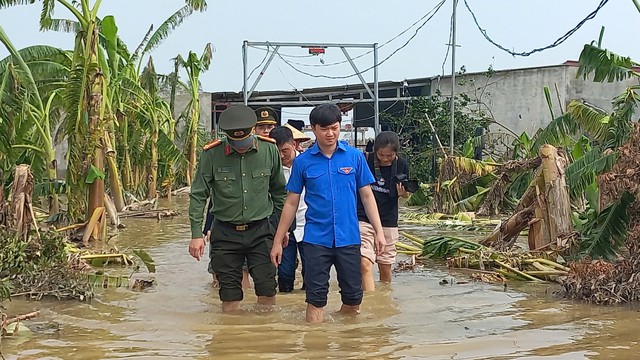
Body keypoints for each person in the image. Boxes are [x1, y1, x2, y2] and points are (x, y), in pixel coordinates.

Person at [270, 103, 386, 323]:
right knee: (315, 300)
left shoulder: (354, 157)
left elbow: (367, 196)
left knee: (353, 300)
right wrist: (278, 241)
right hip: (315, 240)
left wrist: (379, 232)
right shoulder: (303, 162)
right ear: (313, 129)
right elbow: (291, 203)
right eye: (324, 129)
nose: (330, 133)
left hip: (349, 238)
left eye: (334, 127)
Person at [189, 105, 287, 312]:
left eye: (244, 141)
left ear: (252, 131)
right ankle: (231, 339)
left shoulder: (269, 150)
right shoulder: (212, 154)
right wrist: (196, 235)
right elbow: (199, 195)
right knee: (229, 294)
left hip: (261, 231)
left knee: (267, 289)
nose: (241, 147)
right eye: (236, 142)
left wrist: (281, 230)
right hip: (225, 234)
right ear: (227, 136)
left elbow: (279, 194)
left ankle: (266, 336)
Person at [357, 131, 410, 291]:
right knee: (364, 263)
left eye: (390, 156)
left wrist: (404, 193)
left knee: (385, 266)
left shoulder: (402, 164)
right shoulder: (365, 160)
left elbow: (406, 195)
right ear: (375, 151)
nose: (385, 159)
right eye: (381, 155)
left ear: (396, 153)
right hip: (363, 217)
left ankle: (384, 301)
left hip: (388, 219)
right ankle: (370, 302)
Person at [269, 126, 308, 292]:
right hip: (284, 229)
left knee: (312, 273)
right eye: (277, 152)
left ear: (294, 145)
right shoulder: (270, 169)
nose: (282, 156)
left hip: (309, 225)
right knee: (284, 274)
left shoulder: (308, 164)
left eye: (285, 150)